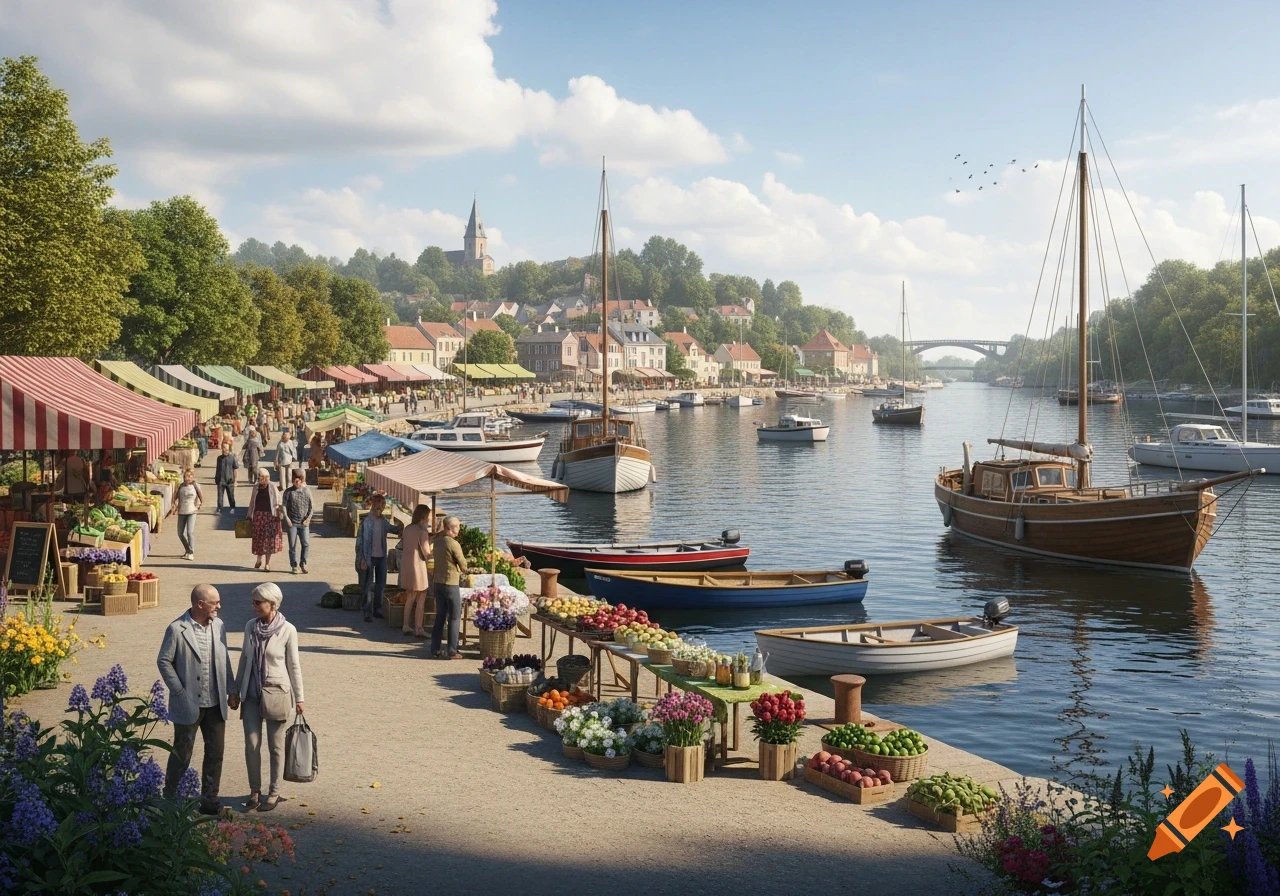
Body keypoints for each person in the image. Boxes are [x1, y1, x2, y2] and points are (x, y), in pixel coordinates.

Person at [157, 584, 238, 816]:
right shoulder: (176, 629)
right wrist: (179, 691)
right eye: (215, 603)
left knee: (216, 753)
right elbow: (163, 661)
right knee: (182, 754)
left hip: (215, 703)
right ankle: (171, 798)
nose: (219, 607)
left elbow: (224, 660)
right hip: (188, 703)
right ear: (200, 604)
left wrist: (231, 689)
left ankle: (210, 800)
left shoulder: (219, 626)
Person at [234, 582, 304, 812]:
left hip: (277, 692)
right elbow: (244, 659)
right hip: (252, 693)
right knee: (252, 744)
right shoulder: (250, 627)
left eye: (258, 602)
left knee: (275, 746)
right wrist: (235, 690)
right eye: (253, 601)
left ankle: (274, 792)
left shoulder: (288, 630)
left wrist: (300, 697)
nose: (253, 606)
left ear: (272, 604)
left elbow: (294, 665)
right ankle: (255, 791)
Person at [355, 494, 401, 623]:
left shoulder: (383, 520)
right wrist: (362, 558)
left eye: (383, 504)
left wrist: (402, 525)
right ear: (373, 504)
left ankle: (378, 609)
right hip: (368, 557)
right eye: (379, 504)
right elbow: (359, 542)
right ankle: (367, 611)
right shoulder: (366, 521)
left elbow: (393, 530)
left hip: (381, 557)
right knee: (368, 585)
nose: (381, 507)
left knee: (381, 584)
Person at [430, 515, 467, 659]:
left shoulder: (438, 541)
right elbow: (463, 565)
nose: (459, 529)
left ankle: (435, 648)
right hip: (450, 582)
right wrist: (462, 565)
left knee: (440, 616)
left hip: (438, 581)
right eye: (457, 526)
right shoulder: (453, 543)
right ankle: (452, 650)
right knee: (455, 616)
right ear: (449, 528)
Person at [398, 504, 434, 638]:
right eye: (429, 516)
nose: (429, 519)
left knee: (410, 596)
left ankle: (405, 625)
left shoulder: (407, 529)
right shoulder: (422, 531)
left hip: (406, 565)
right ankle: (419, 628)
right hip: (418, 566)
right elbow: (426, 553)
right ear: (424, 516)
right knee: (421, 596)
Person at [245, 468, 283, 572]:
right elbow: (252, 501)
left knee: (269, 541)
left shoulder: (272, 486)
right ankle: (258, 559)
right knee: (259, 539)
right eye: (260, 477)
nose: (262, 479)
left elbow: (278, 500)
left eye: (264, 477)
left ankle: (267, 564)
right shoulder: (256, 487)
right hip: (258, 516)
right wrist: (249, 514)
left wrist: (279, 515)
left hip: (271, 516)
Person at [167, 467, 203, 561]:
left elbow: (201, 497)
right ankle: (187, 549)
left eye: (190, 476)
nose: (188, 478)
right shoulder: (181, 486)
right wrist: (174, 506)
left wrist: (198, 505)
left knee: (189, 532)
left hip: (192, 511)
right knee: (180, 533)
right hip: (182, 511)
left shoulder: (196, 486)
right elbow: (175, 497)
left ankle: (191, 552)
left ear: (193, 477)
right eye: (186, 476)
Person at [282, 470, 313, 574]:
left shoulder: (307, 491)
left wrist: (308, 519)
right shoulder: (288, 492)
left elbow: (311, 507)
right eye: (294, 481)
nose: (295, 483)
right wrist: (287, 518)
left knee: (306, 544)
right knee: (292, 546)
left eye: (297, 481)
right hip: (292, 523)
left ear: (301, 480)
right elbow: (284, 506)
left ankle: (303, 563)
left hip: (304, 523)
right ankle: (294, 565)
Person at [214, 440, 240, 512]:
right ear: (222, 448)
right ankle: (220, 509)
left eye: (227, 449)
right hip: (220, 480)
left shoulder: (232, 458)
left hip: (229, 480)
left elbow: (235, 469)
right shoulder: (219, 458)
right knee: (220, 497)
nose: (225, 450)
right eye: (224, 448)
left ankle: (232, 508)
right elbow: (217, 469)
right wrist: (216, 478)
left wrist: (235, 481)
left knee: (231, 496)